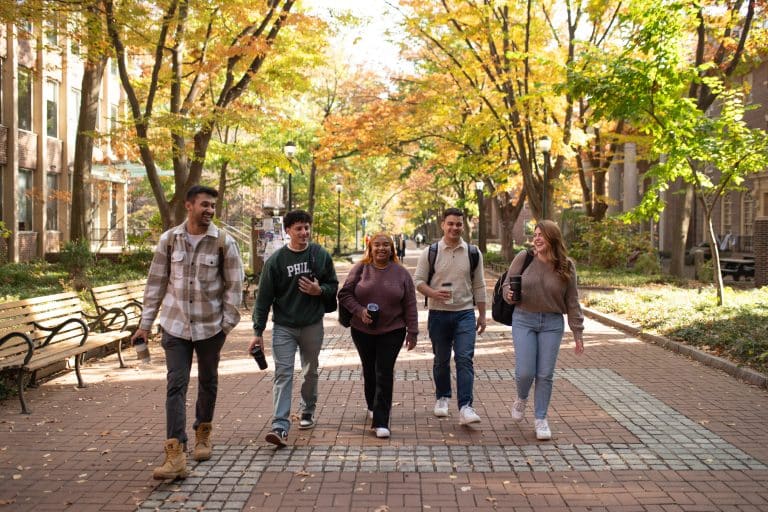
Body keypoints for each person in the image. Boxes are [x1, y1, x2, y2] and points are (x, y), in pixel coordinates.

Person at [132, 184, 244, 480]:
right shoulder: (169, 241)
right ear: (189, 205)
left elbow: (235, 286)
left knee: (208, 381)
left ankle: (203, 432)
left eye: (212, 206)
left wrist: (226, 325)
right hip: (175, 325)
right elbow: (155, 284)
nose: (209, 210)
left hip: (210, 328)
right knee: (175, 385)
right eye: (204, 205)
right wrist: (145, 324)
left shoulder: (224, 242)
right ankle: (176, 454)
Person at [249, 210, 339, 448]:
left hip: (312, 324)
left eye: (307, 227)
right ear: (287, 231)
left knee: (310, 371)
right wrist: (257, 333)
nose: (304, 232)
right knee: (283, 374)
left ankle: (307, 410)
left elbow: (333, 285)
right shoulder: (276, 261)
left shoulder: (319, 255)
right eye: (298, 228)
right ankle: (280, 426)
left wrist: (319, 291)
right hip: (284, 328)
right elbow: (263, 300)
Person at [502, 220, 584, 440]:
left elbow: (572, 301)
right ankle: (521, 397)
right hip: (524, 319)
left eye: (541, 235)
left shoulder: (566, 266)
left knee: (545, 374)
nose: (536, 238)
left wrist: (578, 333)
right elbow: (506, 286)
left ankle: (541, 419)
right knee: (525, 372)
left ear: (553, 239)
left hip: (552, 323)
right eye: (535, 234)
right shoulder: (524, 258)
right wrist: (508, 294)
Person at [338, 232, 418, 438]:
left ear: (392, 249)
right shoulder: (360, 269)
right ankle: (373, 404)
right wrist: (359, 311)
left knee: (384, 371)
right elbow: (344, 293)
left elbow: (410, 303)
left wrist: (413, 331)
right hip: (362, 330)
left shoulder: (401, 273)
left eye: (386, 245)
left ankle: (381, 421)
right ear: (370, 248)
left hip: (393, 329)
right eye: (377, 245)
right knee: (369, 370)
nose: (382, 248)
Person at [413, 207, 487, 425]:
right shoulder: (431, 252)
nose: (455, 228)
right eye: (451, 223)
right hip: (438, 314)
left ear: (463, 226)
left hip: (465, 314)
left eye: (459, 224)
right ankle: (442, 397)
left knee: (465, 358)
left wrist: (482, 315)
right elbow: (418, 281)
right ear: (443, 225)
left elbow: (479, 285)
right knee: (441, 360)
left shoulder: (473, 253)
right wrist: (433, 293)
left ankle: (466, 407)